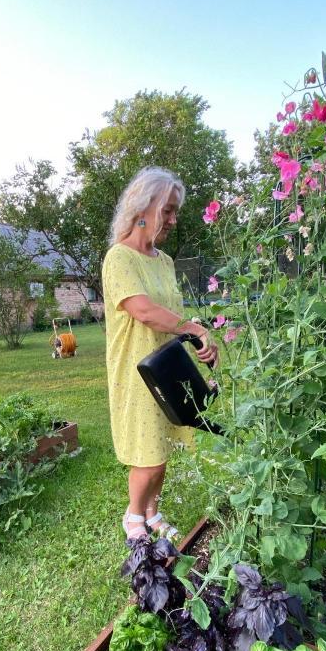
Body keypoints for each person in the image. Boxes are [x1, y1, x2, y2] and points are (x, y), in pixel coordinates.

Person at [101, 166, 218, 541]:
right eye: (167, 210)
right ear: (141, 208)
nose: (173, 218)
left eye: (174, 211)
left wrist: (199, 339)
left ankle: (152, 512)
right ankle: (133, 516)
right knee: (147, 455)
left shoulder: (164, 261)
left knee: (162, 445)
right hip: (137, 369)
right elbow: (144, 310)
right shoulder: (118, 258)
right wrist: (193, 329)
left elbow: (172, 313)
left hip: (167, 365)